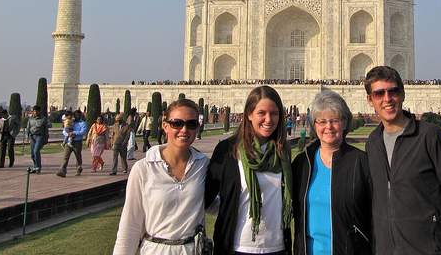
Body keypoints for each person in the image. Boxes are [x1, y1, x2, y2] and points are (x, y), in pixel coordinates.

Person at [364, 66, 441, 254]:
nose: (387, 99)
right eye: (379, 93)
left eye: (393, 91)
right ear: (370, 100)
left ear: (403, 94)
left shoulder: (431, 138)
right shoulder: (373, 143)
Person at [113, 99, 210, 254]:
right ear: (165, 126)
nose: (184, 129)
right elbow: (130, 225)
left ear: (197, 127)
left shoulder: (203, 165)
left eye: (191, 124)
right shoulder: (144, 169)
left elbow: (217, 203)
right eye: (177, 123)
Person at [206, 86, 292, 255]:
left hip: (277, 247)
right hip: (237, 246)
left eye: (274, 113)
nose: (268, 119)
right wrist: (230, 208)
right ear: (249, 114)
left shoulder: (282, 151)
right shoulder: (228, 150)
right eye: (262, 113)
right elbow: (206, 197)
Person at [292, 91, 372, 255]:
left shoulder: (361, 163)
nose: (328, 126)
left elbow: (376, 215)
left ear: (344, 122)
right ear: (315, 125)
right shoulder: (302, 164)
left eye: (334, 120)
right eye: (321, 121)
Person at [56, 109, 88, 177]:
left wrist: (74, 133)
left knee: (78, 156)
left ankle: (78, 168)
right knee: (66, 157)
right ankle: (62, 170)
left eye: (78, 115)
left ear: (80, 116)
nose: (77, 116)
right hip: (69, 142)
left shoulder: (82, 123)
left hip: (77, 142)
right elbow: (64, 130)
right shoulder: (71, 121)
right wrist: (68, 134)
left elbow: (83, 132)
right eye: (76, 115)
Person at [26, 105, 50, 174]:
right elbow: (28, 128)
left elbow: (46, 130)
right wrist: (27, 137)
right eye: (34, 111)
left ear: (39, 111)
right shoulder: (30, 119)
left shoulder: (43, 119)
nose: (35, 112)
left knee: (36, 151)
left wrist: (46, 138)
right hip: (32, 137)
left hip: (40, 137)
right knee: (32, 154)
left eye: (36, 111)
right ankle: (35, 166)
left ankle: (38, 167)